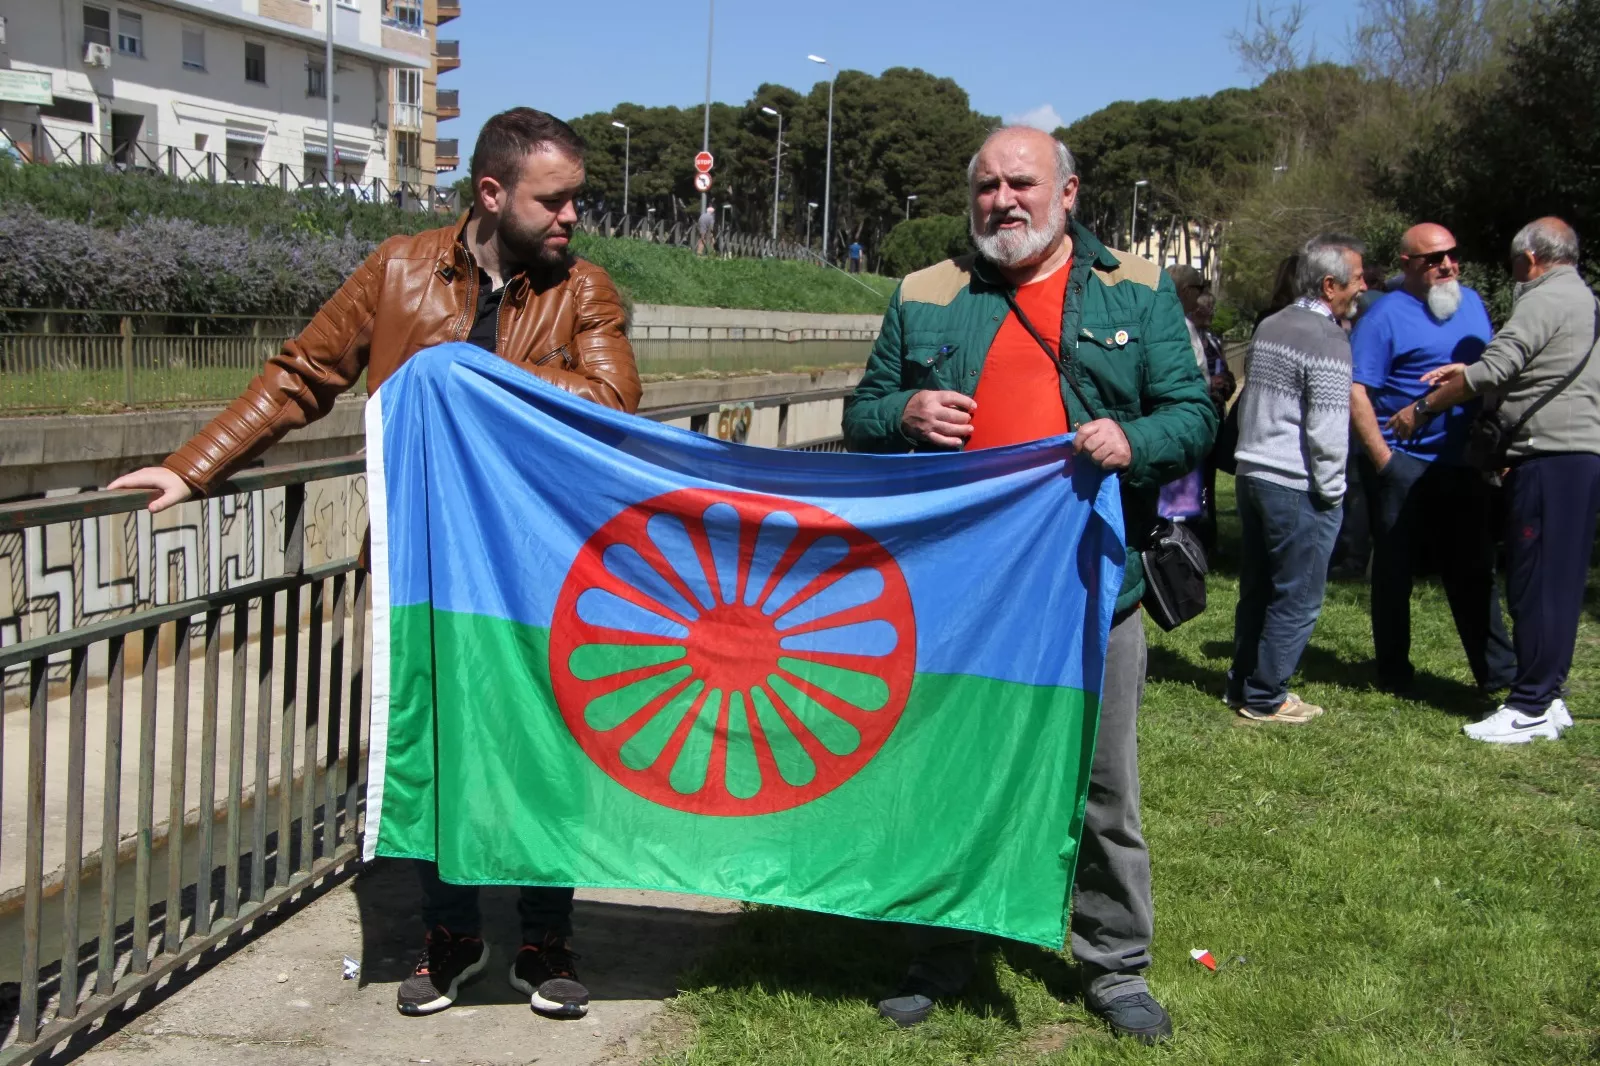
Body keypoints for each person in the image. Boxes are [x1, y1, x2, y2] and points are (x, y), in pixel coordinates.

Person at [108, 107, 642, 1020]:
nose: (570, 220)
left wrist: (458, 376)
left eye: (576, 202)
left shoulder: (583, 289)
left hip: (537, 568)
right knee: (434, 748)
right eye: (553, 202)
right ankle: (452, 935)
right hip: (422, 565)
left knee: (546, 748)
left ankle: (546, 938)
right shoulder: (397, 269)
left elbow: (612, 399)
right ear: (491, 193)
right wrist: (192, 467)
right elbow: (300, 376)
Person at [843, 126, 1216, 1044]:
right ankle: (944, 949)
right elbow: (860, 416)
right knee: (950, 775)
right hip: (961, 593)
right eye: (986, 186)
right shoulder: (926, 294)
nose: (1003, 201)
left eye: (1021, 184)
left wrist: (1136, 443)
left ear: (1068, 193)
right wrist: (905, 411)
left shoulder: (1137, 287)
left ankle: (1115, 965)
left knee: (1103, 787)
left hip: (1095, 586)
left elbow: (1194, 413)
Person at [1412, 218, 1596, 743]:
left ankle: (1529, 704)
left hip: (1546, 457)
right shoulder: (1583, 298)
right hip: (1579, 456)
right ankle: (1548, 693)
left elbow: (1501, 364)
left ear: (1530, 258)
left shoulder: (1541, 298)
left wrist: (1432, 401)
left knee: (1534, 582)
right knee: (1559, 586)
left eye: (1514, 261)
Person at [1348, 222, 1515, 694]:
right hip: (1404, 462)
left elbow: (1490, 375)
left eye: (1452, 255)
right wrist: (1384, 461)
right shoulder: (1384, 317)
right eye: (1434, 259)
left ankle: (1498, 673)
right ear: (1407, 265)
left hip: (1464, 461)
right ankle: (1395, 673)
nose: (1447, 266)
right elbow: (1357, 392)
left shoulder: (1474, 305)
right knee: (1395, 571)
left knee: (1475, 568)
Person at [1227, 235, 1365, 723]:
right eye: (1357, 279)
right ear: (1330, 286)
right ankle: (1267, 696)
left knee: (1258, 588)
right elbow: (1328, 429)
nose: (1363, 287)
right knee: (1298, 596)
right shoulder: (1328, 338)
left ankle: (1242, 683)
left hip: (1252, 474)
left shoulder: (1270, 324)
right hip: (1296, 482)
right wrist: (1333, 492)